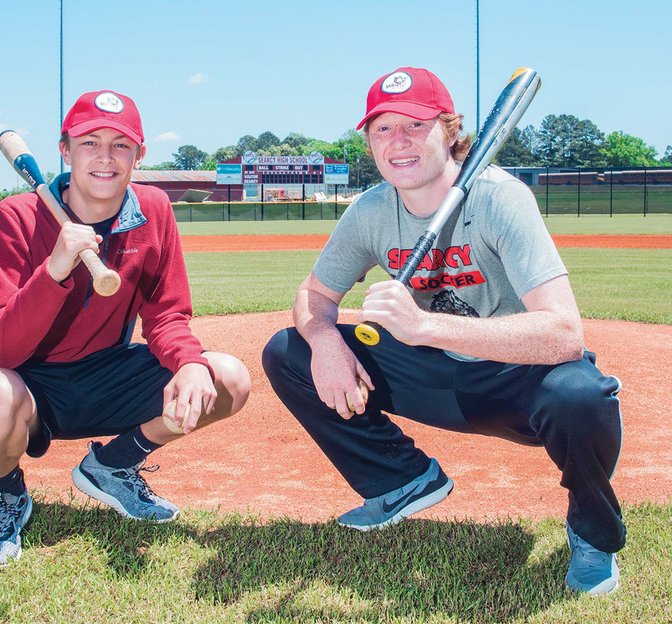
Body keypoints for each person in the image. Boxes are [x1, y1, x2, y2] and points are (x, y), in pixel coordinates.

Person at [262, 67, 624, 595]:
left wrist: (427, 325)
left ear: (451, 132)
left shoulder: (500, 197)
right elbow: (314, 296)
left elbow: (565, 334)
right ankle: (401, 479)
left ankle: (592, 533)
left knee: (582, 394)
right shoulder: (371, 211)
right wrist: (324, 343)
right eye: (382, 129)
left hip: (512, 380)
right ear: (369, 142)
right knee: (288, 350)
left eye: (414, 125)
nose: (398, 142)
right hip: (431, 376)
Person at [0, 89, 251, 568]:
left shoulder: (152, 209)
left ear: (139, 155)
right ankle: (8, 496)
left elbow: (166, 313)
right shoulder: (17, 215)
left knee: (227, 379)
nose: (105, 157)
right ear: (65, 150)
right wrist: (52, 270)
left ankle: (112, 467)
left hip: (106, 372)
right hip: (26, 377)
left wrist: (189, 363)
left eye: (120, 144)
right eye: (90, 142)